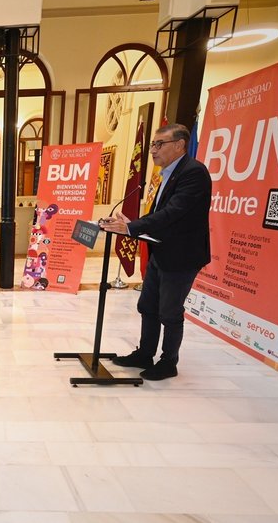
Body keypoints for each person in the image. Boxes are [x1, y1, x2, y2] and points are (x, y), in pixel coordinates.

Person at [101, 124, 212, 381]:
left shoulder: (193, 173)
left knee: (170, 312)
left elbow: (173, 213)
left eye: (159, 144)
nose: (153, 150)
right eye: (152, 144)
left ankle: (168, 362)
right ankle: (145, 353)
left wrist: (133, 227)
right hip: (160, 250)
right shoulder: (166, 174)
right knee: (147, 305)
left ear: (180, 145)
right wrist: (134, 224)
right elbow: (160, 214)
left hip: (181, 256)